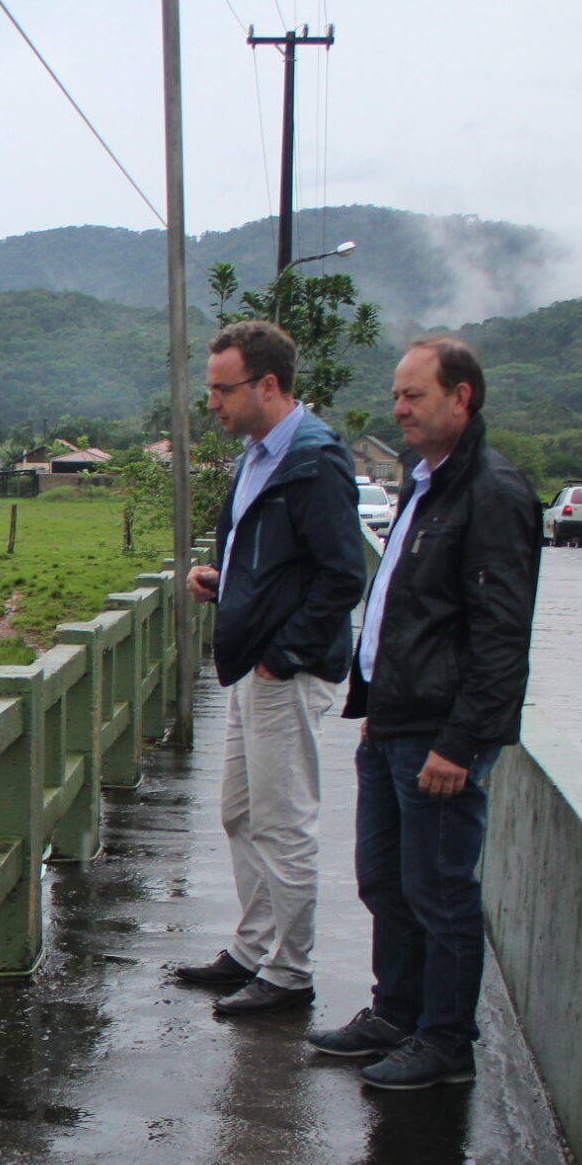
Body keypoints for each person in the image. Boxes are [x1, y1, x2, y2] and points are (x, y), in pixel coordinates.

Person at [308, 336, 541, 1088]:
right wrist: (376, 703)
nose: (398, 408)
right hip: (395, 723)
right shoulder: (425, 481)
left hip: (441, 736)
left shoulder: (493, 493)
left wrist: (462, 740)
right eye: (399, 395)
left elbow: (500, 635)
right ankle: (397, 1011)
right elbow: (405, 609)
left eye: (414, 395)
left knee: (441, 890)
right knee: (386, 880)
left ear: (461, 398)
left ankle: (445, 1043)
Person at [169, 320, 369, 1016]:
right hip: (253, 663)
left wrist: (284, 657)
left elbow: (344, 575)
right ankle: (254, 948)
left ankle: (290, 972)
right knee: (239, 812)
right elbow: (282, 565)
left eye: (223, 390)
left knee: (284, 823)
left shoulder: (314, 461)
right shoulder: (260, 455)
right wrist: (225, 581)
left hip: (282, 670)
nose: (213, 403)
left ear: (269, 385)